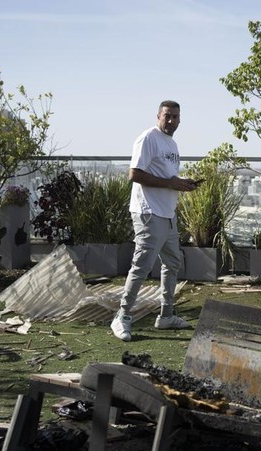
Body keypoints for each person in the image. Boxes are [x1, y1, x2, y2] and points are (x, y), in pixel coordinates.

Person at [111, 100, 201, 342]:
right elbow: (135, 174)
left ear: (180, 119)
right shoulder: (148, 138)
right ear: (158, 116)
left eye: (175, 117)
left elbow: (166, 176)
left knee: (172, 264)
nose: (171, 121)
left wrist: (182, 183)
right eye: (167, 116)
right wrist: (173, 183)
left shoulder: (171, 143)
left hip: (168, 214)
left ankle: (166, 315)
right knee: (141, 266)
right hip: (149, 213)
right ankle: (122, 316)